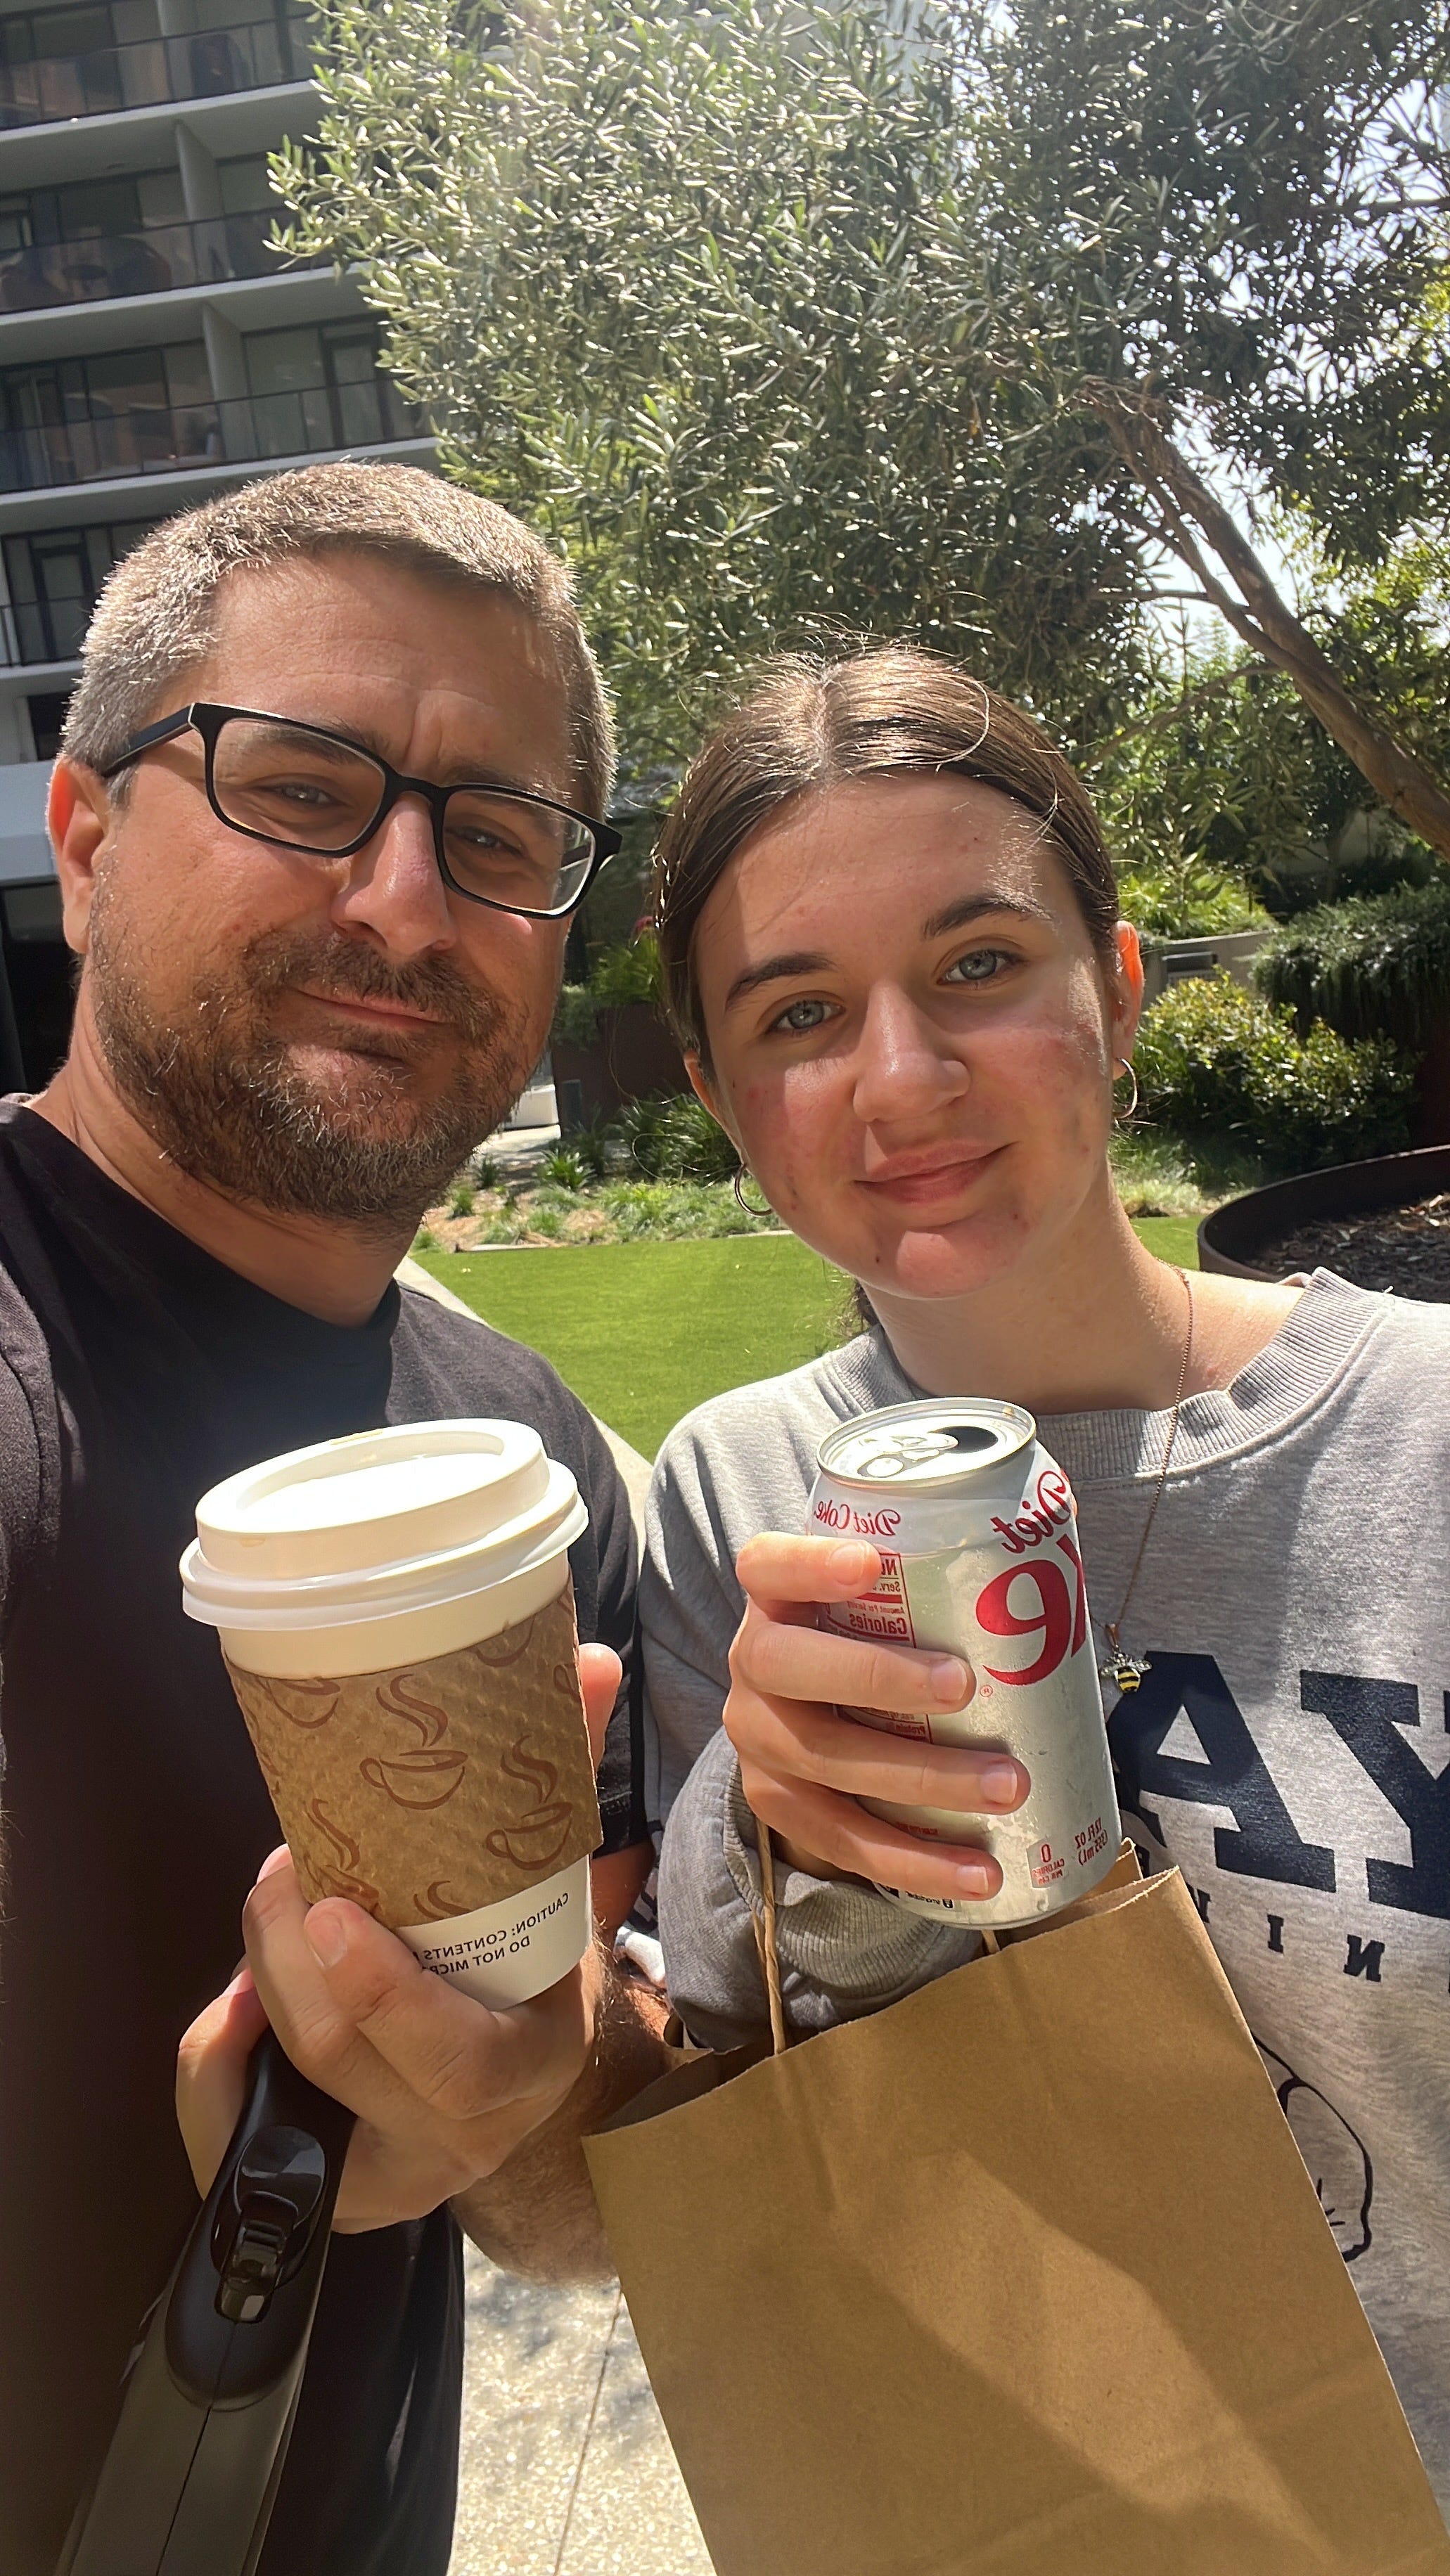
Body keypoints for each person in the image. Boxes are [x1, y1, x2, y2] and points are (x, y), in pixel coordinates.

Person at [639, 646, 1450, 2515]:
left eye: (980, 965)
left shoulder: (1429, 1434)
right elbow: (727, 2071)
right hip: (1010, 2506)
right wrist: (773, 1821)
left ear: (1120, 984)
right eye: (799, 1013)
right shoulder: (735, 1494)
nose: (903, 1077)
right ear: (720, 1096)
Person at [0, 459, 665, 2576]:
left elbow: (562, 2193)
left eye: (499, 838)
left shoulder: (523, 1463)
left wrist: (523, 2097)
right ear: (85, 841)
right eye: (299, 788)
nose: (405, 902)